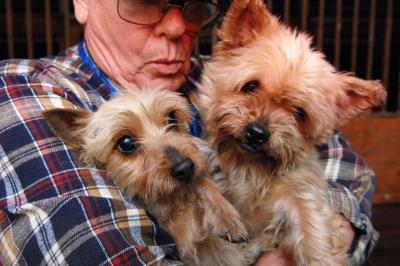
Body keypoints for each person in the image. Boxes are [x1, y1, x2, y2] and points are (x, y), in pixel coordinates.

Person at [0, 0, 378, 265]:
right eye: (145, 2)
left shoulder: (206, 74)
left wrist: (312, 232)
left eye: (194, 6)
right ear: (82, 2)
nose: (178, 26)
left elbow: (346, 167)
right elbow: (94, 247)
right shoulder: (26, 91)